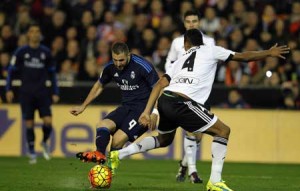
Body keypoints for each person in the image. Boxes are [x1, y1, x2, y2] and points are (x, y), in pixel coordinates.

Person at [108, 29, 290, 191]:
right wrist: (269, 52)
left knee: (164, 139)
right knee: (223, 131)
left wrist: (148, 111)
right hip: (182, 102)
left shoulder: (179, 60)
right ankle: (215, 181)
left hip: (166, 99)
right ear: (201, 41)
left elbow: (158, 85)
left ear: (186, 44)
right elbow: (243, 56)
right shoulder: (211, 50)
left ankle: (120, 154)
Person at [69, 42, 159, 173]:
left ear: (128, 55)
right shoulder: (110, 67)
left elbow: (159, 88)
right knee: (103, 124)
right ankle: (99, 153)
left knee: (117, 140)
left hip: (143, 111)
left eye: (121, 60)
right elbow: (99, 86)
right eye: (115, 60)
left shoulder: (142, 65)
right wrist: (83, 106)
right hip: (126, 106)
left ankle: (108, 173)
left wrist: (155, 112)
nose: (118, 64)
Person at [165, 10, 215, 183]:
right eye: (188, 21)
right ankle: (193, 172)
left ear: (199, 22)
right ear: (184, 23)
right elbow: (169, 62)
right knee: (191, 130)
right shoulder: (177, 42)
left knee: (199, 135)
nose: (192, 24)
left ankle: (185, 164)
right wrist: (170, 79)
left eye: (194, 21)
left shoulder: (209, 42)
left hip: (201, 92)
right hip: (183, 91)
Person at [5, 24, 60, 164]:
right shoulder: (21, 52)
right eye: (32, 31)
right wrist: (8, 89)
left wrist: (55, 91)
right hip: (26, 93)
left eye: (37, 31)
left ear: (40, 35)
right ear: (28, 35)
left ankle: (44, 142)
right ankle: (31, 152)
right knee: (29, 123)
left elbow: (53, 74)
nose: (35, 34)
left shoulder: (46, 53)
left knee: (48, 121)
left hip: (42, 93)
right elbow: (11, 71)